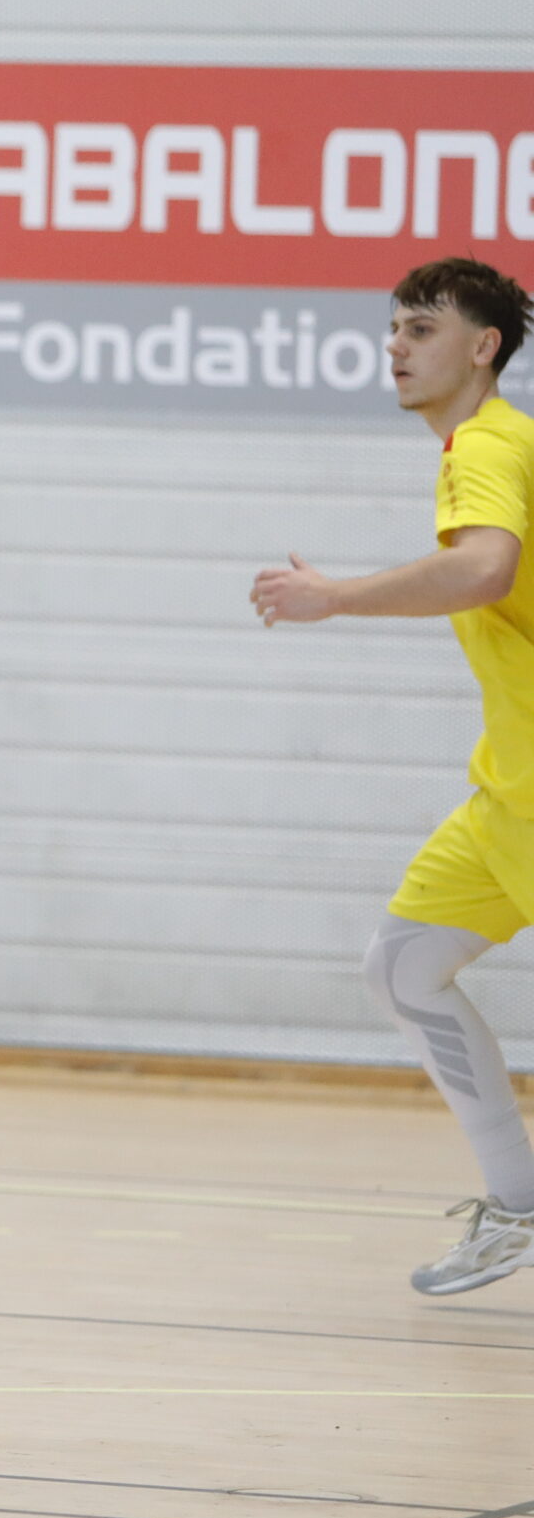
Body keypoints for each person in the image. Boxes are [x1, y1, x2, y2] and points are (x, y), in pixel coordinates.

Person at [252, 256, 534, 1297]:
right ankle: (519, 1205)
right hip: (508, 791)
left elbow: (485, 566)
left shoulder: (486, 446)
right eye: (395, 328)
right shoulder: (491, 445)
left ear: (483, 347)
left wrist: (335, 598)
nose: (397, 346)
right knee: (404, 965)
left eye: (422, 328)